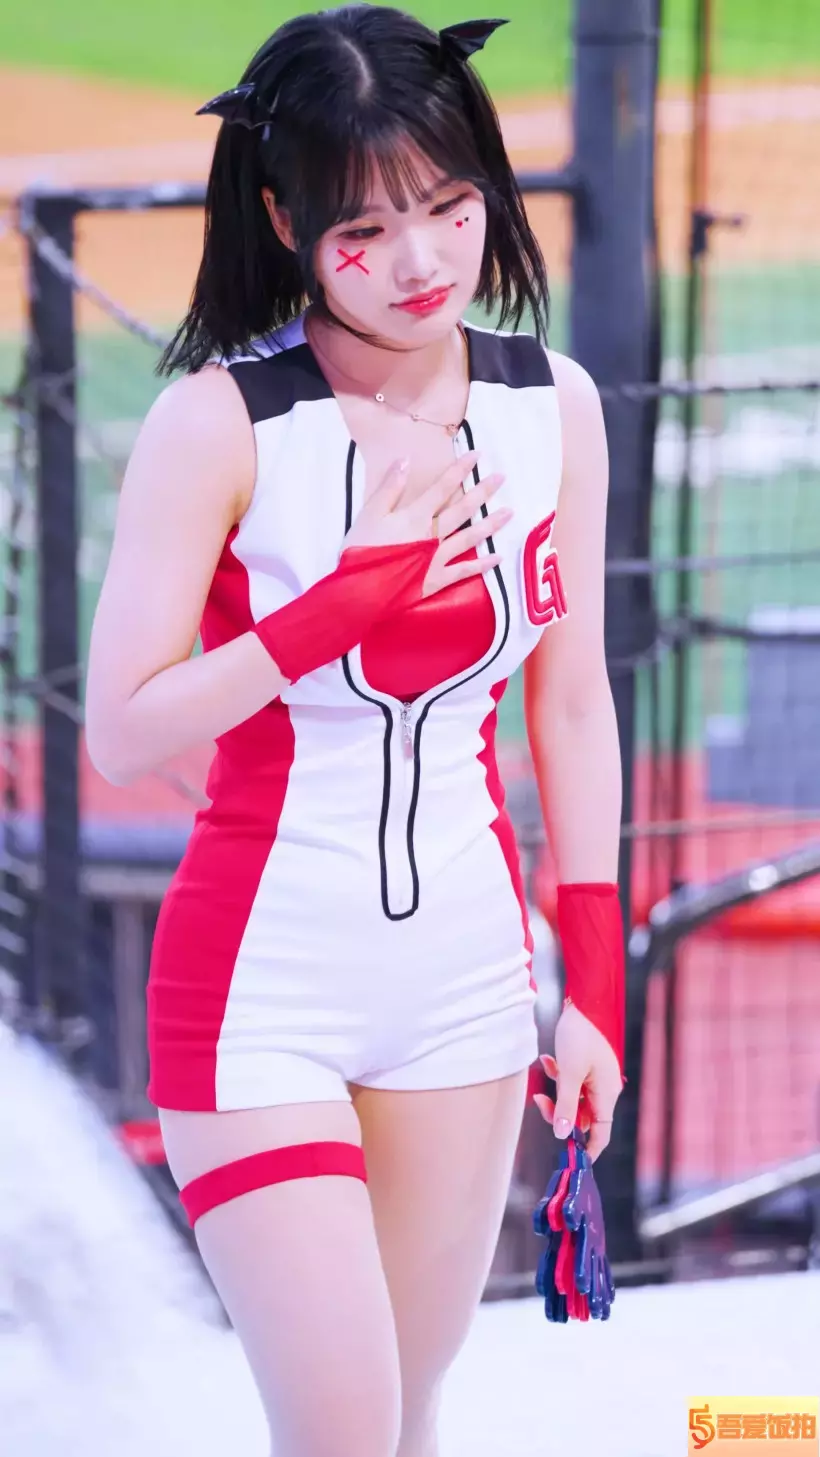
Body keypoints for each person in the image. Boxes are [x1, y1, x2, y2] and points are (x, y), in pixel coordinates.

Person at [85, 7, 625, 1455]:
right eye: (366, 229)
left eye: (449, 206)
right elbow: (122, 732)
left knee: (410, 1417)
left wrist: (596, 975)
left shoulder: (553, 407)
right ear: (286, 224)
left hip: (468, 983)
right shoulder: (220, 425)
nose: (421, 260)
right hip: (257, 989)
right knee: (340, 1426)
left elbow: (573, 699)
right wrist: (335, 610)